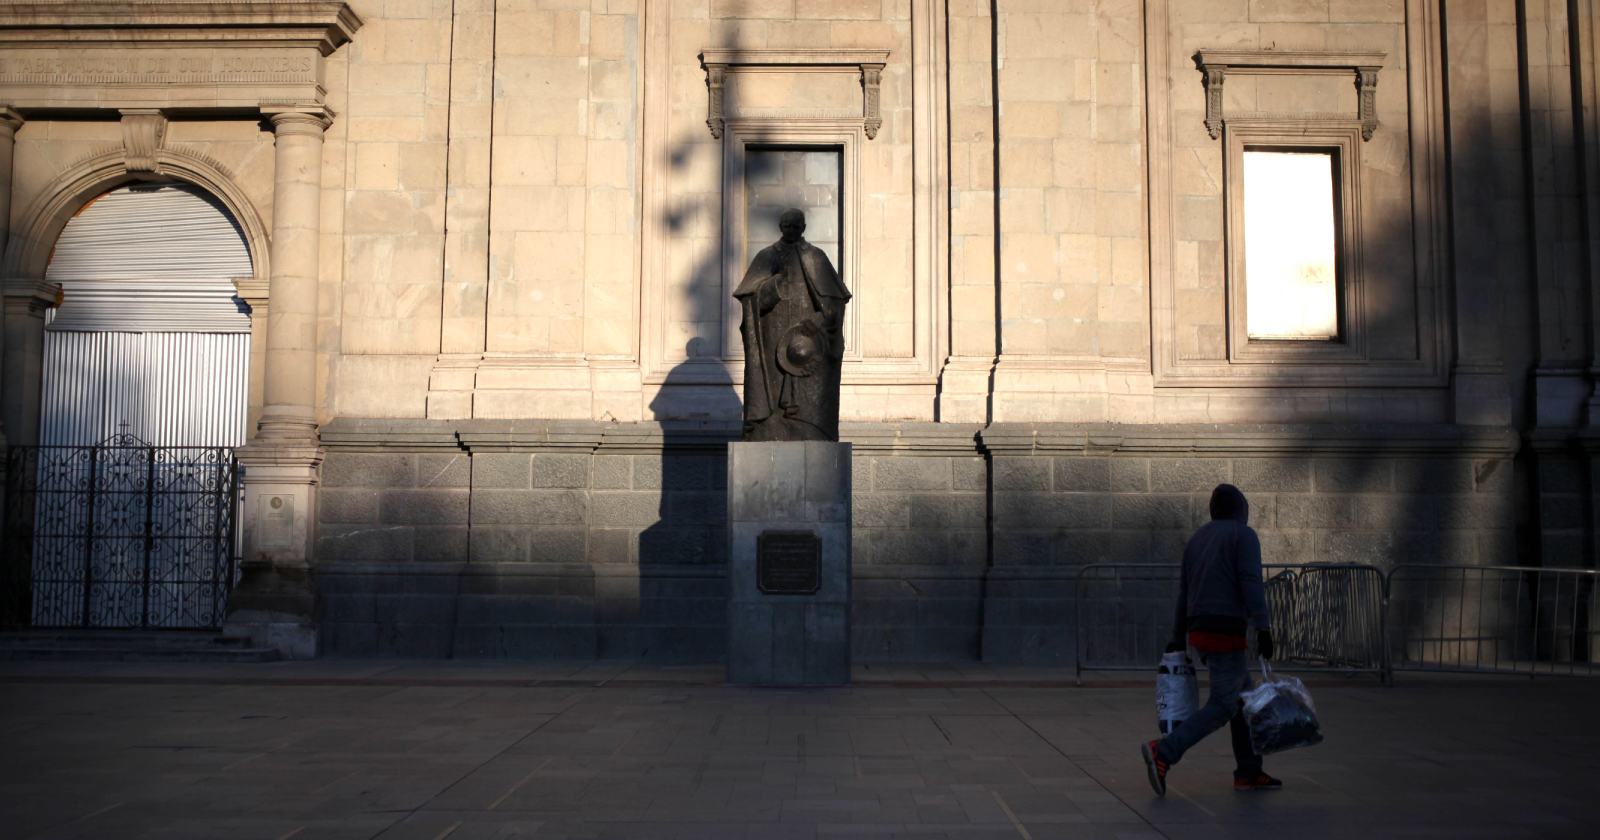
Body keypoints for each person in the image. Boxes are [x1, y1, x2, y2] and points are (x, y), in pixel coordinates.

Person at [1140, 483, 1281, 795]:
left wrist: (1177, 638)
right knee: (1223, 705)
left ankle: (1248, 770)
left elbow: (1184, 592)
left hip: (1199, 629)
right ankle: (1163, 752)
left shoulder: (1197, 539)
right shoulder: (1243, 536)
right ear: (1241, 509)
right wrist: (1263, 627)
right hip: (1226, 629)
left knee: (1244, 700)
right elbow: (1250, 582)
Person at [732, 208, 851, 442]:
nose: (792, 230)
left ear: (804, 228)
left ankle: (810, 430)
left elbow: (835, 301)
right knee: (775, 394)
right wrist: (775, 283)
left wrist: (818, 322)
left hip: (809, 337)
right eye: (787, 226)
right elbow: (749, 296)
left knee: (811, 399)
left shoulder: (816, 257)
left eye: (796, 226)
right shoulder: (766, 257)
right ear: (780, 227)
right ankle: (769, 429)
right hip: (772, 336)